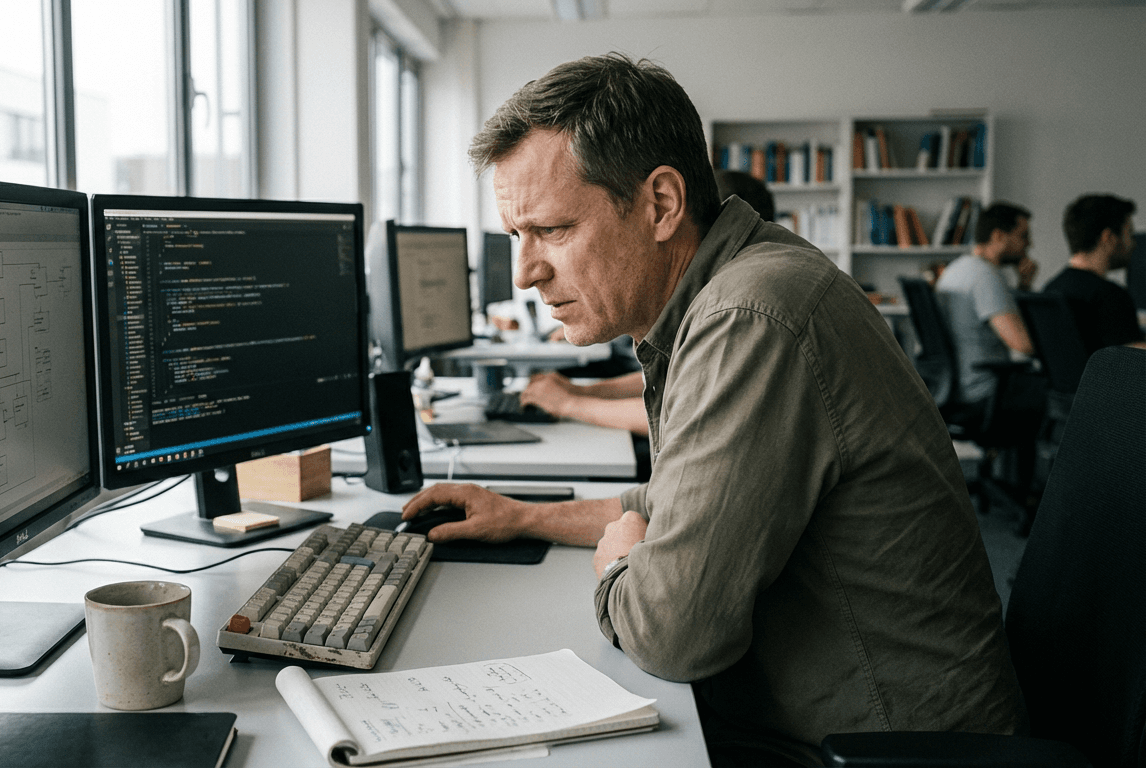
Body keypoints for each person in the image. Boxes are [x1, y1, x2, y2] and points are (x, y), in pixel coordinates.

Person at [403, 53, 1025, 766]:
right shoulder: (731, 290)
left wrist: (619, 566)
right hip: (830, 717)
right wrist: (521, 515)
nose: (525, 271)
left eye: (553, 230)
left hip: (879, 747)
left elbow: (673, 633)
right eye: (518, 236)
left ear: (661, 205)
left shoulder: (750, 317)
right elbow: (677, 502)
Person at [520, 169, 778, 436]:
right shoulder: (710, 296)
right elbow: (660, 383)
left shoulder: (739, 313)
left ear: (664, 207)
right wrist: (580, 391)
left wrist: (570, 403)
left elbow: (677, 417)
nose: (522, 277)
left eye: (553, 228)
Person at [933, 202, 1038, 407]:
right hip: (986, 390)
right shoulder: (986, 277)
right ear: (998, 236)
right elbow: (1024, 345)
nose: (1030, 244)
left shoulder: (956, 269)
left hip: (955, 386)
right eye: (1023, 236)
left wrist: (1024, 285)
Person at [1043, 194, 1145, 352]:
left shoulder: (1051, 289)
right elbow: (1136, 359)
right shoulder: (1109, 296)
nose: (1133, 243)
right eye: (1129, 233)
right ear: (1108, 237)